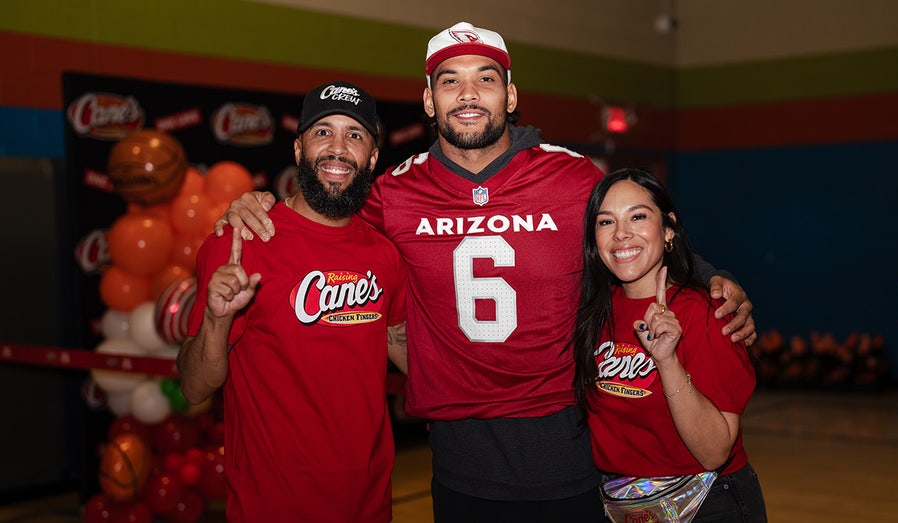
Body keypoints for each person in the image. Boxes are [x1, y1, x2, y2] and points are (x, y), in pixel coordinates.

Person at [215, 22, 757, 522]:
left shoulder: (569, 176)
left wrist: (710, 276)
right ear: (429, 100)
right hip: (459, 456)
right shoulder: (396, 192)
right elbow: (325, 205)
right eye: (450, 80)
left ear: (512, 95)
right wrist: (261, 204)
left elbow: (635, 229)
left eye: (486, 79)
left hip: (565, 445)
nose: (468, 94)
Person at [176, 81, 408, 523]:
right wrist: (215, 320)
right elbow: (193, 387)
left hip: (369, 503)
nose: (338, 149)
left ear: (373, 158)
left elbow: (410, 355)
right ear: (299, 149)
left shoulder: (386, 254)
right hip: (271, 506)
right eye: (323, 132)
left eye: (355, 136)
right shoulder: (242, 241)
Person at [571, 168, 767, 522]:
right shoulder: (592, 313)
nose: (621, 235)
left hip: (708, 502)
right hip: (624, 505)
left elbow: (714, 452)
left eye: (638, 216)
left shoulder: (707, 312)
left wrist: (667, 360)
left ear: (668, 228)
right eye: (605, 222)